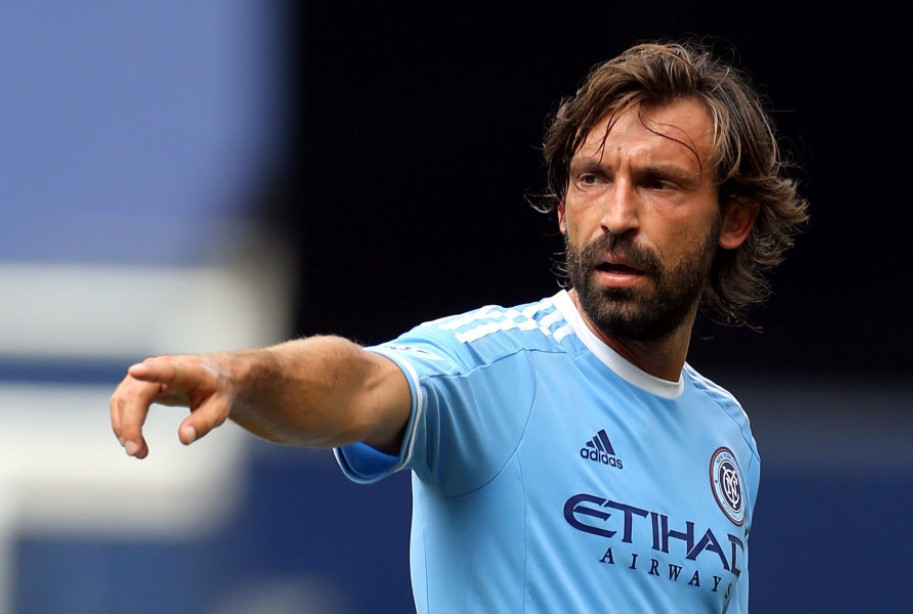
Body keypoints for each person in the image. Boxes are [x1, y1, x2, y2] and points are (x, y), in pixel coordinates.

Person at [110, 41, 807, 612]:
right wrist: (243, 375)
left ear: (735, 219)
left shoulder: (727, 435)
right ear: (562, 209)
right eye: (592, 178)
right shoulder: (493, 370)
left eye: (658, 183)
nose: (617, 216)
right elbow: (359, 383)